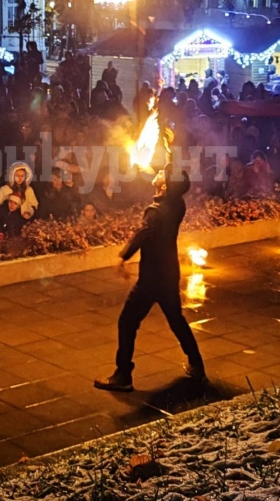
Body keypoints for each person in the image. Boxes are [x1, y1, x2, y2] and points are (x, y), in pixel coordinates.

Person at [95, 165, 206, 392]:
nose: (156, 173)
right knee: (176, 319)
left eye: (162, 174)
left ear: (165, 186)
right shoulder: (178, 204)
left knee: (127, 322)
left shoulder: (155, 211)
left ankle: (123, 375)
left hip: (151, 278)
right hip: (169, 273)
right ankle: (197, 365)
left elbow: (142, 234)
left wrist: (122, 257)